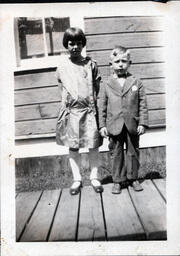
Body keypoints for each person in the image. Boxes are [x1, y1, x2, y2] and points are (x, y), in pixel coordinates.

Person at [55, 27, 103, 195]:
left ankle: (94, 177)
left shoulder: (91, 64)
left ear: (83, 45)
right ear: (66, 45)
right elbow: (63, 90)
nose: (74, 46)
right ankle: (77, 179)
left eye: (78, 43)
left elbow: (96, 88)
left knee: (93, 145)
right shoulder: (62, 67)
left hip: (89, 111)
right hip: (72, 113)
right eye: (71, 43)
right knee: (73, 147)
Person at [99, 46, 148, 194]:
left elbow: (143, 104)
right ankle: (118, 180)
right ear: (111, 64)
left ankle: (133, 178)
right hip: (114, 125)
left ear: (130, 63)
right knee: (116, 152)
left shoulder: (136, 82)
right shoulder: (107, 84)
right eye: (117, 61)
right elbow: (102, 106)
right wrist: (102, 125)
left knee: (133, 152)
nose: (120, 64)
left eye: (124, 61)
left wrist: (143, 123)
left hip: (132, 124)